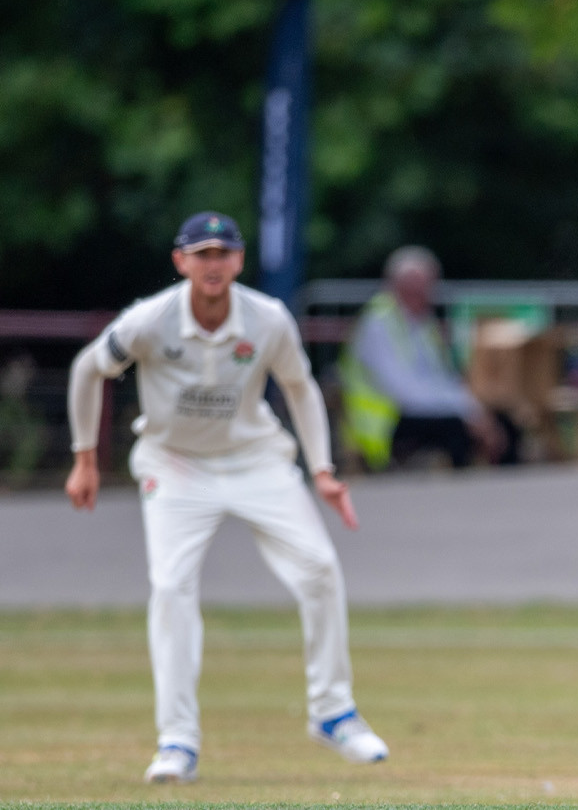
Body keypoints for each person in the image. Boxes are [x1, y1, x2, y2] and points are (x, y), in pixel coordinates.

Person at [63, 213, 388, 784]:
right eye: (201, 254)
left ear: (238, 262)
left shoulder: (267, 319)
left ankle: (333, 712)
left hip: (255, 458)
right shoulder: (150, 319)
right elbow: (88, 369)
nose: (213, 265)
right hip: (175, 463)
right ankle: (177, 741)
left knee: (319, 567)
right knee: (170, 585)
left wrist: (323, 470)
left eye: (223, 254)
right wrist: (85, 458)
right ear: (180, 262)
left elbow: (300, 388)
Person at [340, 245, 510, 470]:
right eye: (416, 287)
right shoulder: (378, 324)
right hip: (384, 425)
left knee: (504, 420)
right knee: (456, 427)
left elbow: (441, 378)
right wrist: (465, 413)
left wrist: (475, 411)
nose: (424, 293)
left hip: (413, 411)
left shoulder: (422, 323)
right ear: (397, 285)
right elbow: (404, 390)